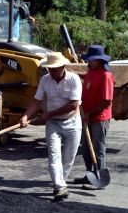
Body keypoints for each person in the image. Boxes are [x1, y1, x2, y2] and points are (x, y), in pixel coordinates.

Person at [20, 52, 82, 201]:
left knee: (68, 157)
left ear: (63, 67)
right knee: (54, 155)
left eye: (54, 69)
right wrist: (26, 116)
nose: (51, 72)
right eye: (50, 69)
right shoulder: (45, 80)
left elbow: (73, 105)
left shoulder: (74, 79)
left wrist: (49, 114)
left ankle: (61, 182)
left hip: (72, 122)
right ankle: (59, 187)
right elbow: (36, 100)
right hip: (53, 124)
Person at [77, 44, 114, 185]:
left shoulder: (106, 76)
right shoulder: (91, 72)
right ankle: (90, 174)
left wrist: (90, 113)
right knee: (86, 148)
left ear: (100, 60)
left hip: (99, 118)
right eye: (89, 60)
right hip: (87, 116)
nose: (89, 62)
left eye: (92, 60)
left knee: (98, 150)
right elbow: (86, 77)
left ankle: (99, 178)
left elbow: (106, 102)